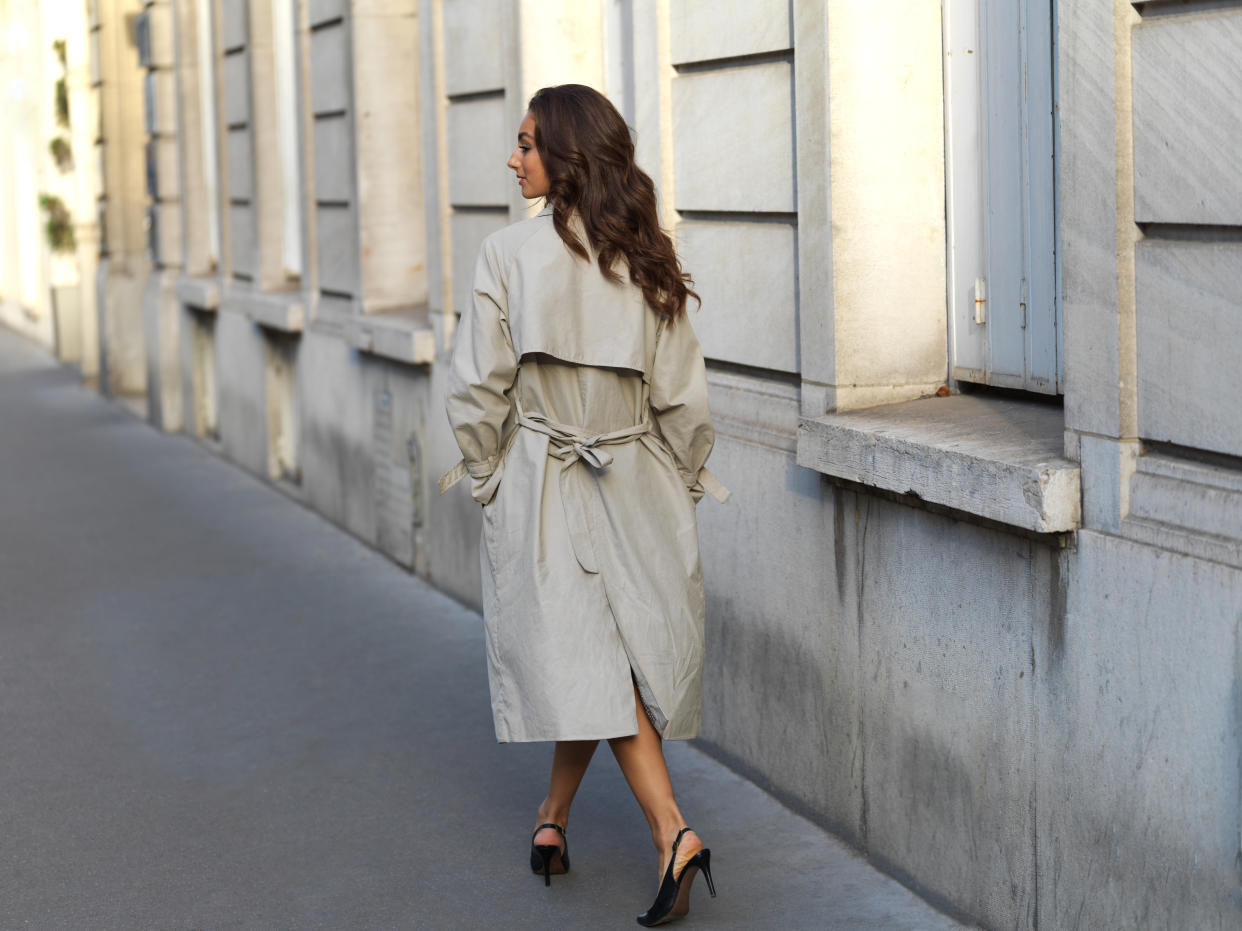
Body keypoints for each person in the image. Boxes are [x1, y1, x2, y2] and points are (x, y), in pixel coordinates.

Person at [442, 83, 727, 926]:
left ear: (564, 157)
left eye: (526, 143)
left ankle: (674, 833)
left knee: (592, 659)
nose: (511, 157)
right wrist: (678, 482)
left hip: (545, 483)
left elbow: (475, 390)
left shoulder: (505, 256)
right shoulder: (646, 259)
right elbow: (685, 399)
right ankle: (552, 820)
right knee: (599, 659)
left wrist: (489, 477)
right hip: (634, 476)